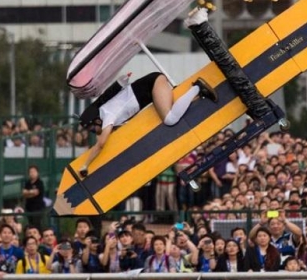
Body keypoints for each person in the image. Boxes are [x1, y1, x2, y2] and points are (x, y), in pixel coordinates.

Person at [77, 25, 218, 178]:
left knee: (170, 119)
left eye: (92, 129)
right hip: (151, 88)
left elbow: (101, 144)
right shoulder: (107, 114)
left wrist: (86, 165)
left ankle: (197, 88)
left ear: (96, 120)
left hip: (153, 84)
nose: (94, 132)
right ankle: (199, 94)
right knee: (173, 113)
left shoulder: (108, 115)